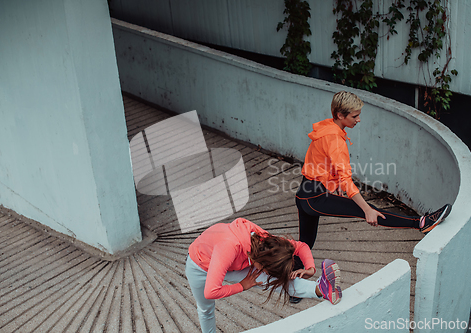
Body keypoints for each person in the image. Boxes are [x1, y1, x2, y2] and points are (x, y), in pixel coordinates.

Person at [291, 90, 451, 303]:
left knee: (305, 243)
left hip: (305, 195)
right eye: (354, 116)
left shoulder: (326, 129)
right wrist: (366, 208)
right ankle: (421, 223)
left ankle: (293, 287)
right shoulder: (335, 140)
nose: (359, 120)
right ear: (340, 115)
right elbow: (346, 179)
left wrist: (334, 184)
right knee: (366, 209)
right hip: (314, 198)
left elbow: (317, 163)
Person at [185, 217, 341, 333]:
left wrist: (310, 268)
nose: (266, 273)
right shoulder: (229, 247)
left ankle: (320, 289)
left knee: (270, 279)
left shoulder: (268, 243)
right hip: (200, 267)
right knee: (206, 309)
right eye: (267, 270)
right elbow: (211, 291)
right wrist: (242, 286)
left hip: (237, 261)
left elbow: (301, 246)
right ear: (263, 263)